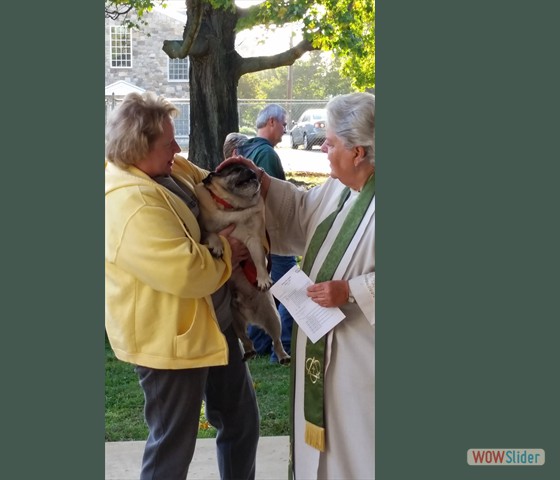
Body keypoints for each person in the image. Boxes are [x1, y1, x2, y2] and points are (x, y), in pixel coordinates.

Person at [220, 92, 376, 479]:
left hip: (361, 356)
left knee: (359, 441)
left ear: (358, 151)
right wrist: (263, 183)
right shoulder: (341, 188)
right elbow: (302, 212)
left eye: (333, 142)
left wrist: (351, 291)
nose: (324, 146)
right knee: (329, 441)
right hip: (324, 348)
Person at [105, 91, 260, 480]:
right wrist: (229, 249)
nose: (177, 148)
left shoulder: (169, 169)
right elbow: (187, 274)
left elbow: (206, 179)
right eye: (168, 142)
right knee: (172, 448)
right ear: (137, 148)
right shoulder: (130, 204)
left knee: (241, 421)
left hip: (212, 323)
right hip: (169, 341)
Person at [237, 104, 296, 363]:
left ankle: (259, 343)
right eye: (284, 124)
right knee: (294, 289)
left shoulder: (245, 150)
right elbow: (270, 199)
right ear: (272, 122)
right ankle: (281, 347)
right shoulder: (267, 155)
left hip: (253, 237)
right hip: (272, 235)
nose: (285, 130)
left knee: (263, 291)